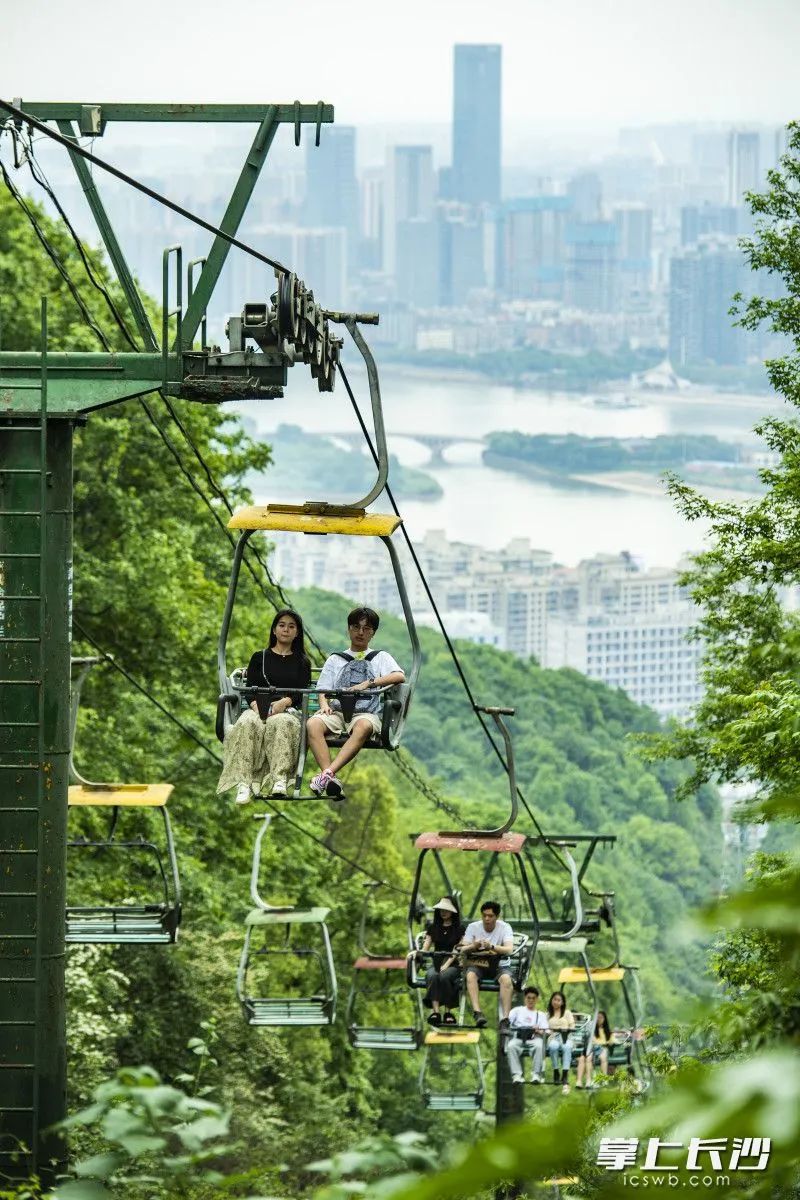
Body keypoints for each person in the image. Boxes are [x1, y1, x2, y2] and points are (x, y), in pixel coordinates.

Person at [306, 606, 404, 799]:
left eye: (366, 629)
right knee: (312, 724)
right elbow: (323, 689)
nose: (360, 632)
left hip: (365, 713)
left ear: (373, 633)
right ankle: (329, 776)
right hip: (338, 712)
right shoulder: (335, 659)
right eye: (356, 627)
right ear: (349, 629)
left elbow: (399, 676)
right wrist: (324, 705)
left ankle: (325, 775)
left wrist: (369, 683)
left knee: (363, 727)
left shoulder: (380, 658)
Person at [216, 609, 311, 805]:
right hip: (258, 706)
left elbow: (301, 691)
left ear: (297, 633)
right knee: (246, 723)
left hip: (286, 709)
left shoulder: (302, 662)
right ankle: (244, 782)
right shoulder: (260, 657)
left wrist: (285, 702)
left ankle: (279, 779)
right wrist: (255, 705)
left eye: (291, 626)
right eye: (282, 625)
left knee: (283, 723)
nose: (286, 630)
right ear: (274, 630)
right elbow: (250, 688)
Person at [461, 900, 514, 1028]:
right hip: (479, 962)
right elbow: (462, 949)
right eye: (484, 915)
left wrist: (492, 946)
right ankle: (477, 1012)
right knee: (470, 975)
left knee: (506, 980)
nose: (487, 919)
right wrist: (474, 946)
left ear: (497, 917)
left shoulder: (505, 927)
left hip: (498, 964)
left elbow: (509, 949)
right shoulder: (473, 927)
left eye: (490, 916)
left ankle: (505, 1018)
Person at [413, 896, 465, 1026]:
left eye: (446, 909)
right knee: (432, 975)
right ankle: (436, 1012)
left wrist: (447, 964)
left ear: (453, 911)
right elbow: (426, 946)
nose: (443, 912)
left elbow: (458, 949)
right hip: (437, 962)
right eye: (441, 909)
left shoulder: (459, 929)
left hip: (453, 962)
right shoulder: (433, 928)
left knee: (445, 976)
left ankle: (448, 1011)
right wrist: (418, 953)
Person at [505, 986, 549, 1084]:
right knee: (511, 1046)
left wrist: (538, 1030)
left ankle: (536, 1074)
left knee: (539, 1045)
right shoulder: (517, 1011)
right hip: (519, 1037)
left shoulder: (540, 1015)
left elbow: (546, 1031)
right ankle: (517, 1075)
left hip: (533, 1038)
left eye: (533, 998)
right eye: (528, 998)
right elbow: (508, 1021)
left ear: (536, 999)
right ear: (525, 998)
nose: (531, 1000)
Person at [546, 990, 576, 1094]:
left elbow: (572, 1025)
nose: (556, 1002)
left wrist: (568, 1030)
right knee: (553, 1046)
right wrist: (548, 1031)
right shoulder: (548, 1014)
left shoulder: (567, 1013)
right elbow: (545, 1027)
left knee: (567, 1047)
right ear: (551, 1001)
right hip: (553, 1037)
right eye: (554, 999)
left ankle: (565, 1074)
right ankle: (556, 1070)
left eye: (559, 1000)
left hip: (565, 1036)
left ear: (562, 1002)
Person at [576, 1010, 614, 1089]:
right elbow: (590, 1039)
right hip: (592, 1048)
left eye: (601, 1017)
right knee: (588, 1058)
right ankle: (588, 1080)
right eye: (598, 1017)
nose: (599, 1019)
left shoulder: (607, 1031)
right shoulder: (592, 1028)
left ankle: (604, 1077)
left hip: (601, 1048)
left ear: (604, 1019)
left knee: (603, 1056)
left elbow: (611, 1041)